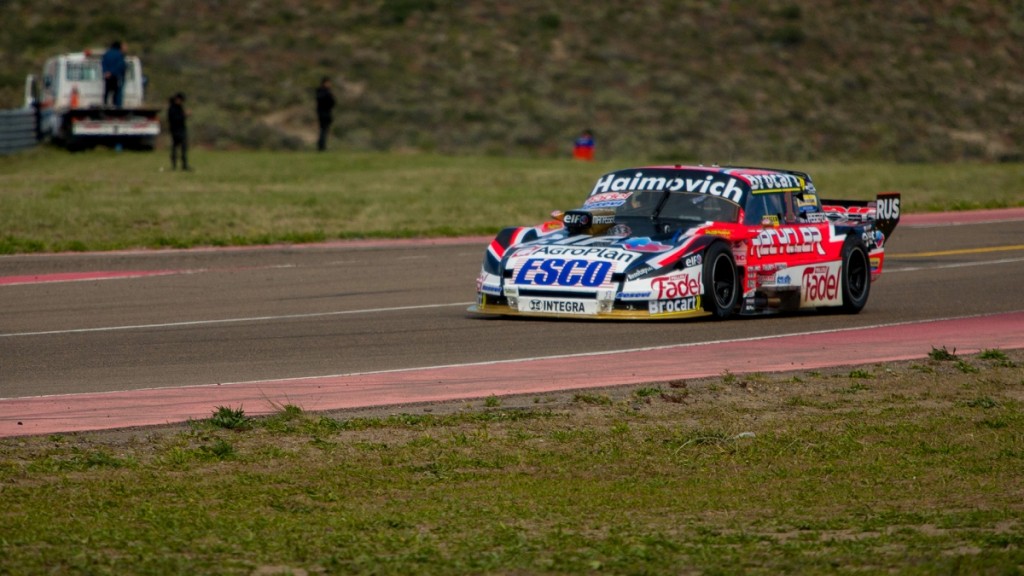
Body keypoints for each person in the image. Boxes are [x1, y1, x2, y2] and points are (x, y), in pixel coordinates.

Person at [167, 92, 190, 171]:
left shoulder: (179, 107)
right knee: (175, 149)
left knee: (183, 149)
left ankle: (184, 165)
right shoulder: (172, 108)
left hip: (181, 130)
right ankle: (174, 165)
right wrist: (184, 115)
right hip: (176, 131)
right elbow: (174, 119)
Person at [101, 41, 126, 108]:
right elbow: (120, 65)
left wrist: (106, 72)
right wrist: (112, 72)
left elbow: (103, 64)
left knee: (107, 91)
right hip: (115, 76)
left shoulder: (106, 54)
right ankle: (116, 105)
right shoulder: (119, 54)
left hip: (107, 76)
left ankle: (105, 104)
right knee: (116, 91)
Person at [315, 77, 336, 151]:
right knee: (323, 130)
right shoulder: (324, 92)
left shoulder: (321, 91)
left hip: (324, 113)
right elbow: (330, 102)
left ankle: (322, 146)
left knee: (324, 130)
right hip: (324, 113)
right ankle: (321, 147)